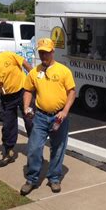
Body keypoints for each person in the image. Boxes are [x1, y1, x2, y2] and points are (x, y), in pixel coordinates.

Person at [20, 38, 76, 195]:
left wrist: (64, 112)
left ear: (53, 52)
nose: (44, 55)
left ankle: (54, 178)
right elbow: (28, 90)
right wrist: (26, 107)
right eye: (41, 52)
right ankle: (32, 179)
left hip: (59, 117)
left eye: (46, 52)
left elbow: (71, 91)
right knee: (34, 148)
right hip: (40, 117)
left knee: (58, 149)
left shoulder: (63, 71)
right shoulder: (34, 72)